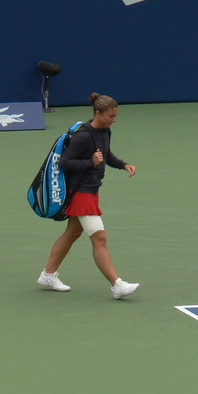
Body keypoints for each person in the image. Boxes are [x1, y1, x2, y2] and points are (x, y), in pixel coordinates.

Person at [38, 93, 140, 299]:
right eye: (111, 116)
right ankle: (116, 285)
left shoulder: (105, 131)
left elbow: (106, 154)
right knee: (99, 238)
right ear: (98, 113)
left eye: (115, 115)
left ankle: (47, 275)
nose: (114, 120)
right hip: (80, 193)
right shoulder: (83, 136)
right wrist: (90, 163)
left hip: (92, 191)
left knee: (72, 234)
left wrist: (122, 164)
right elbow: (65, 162)